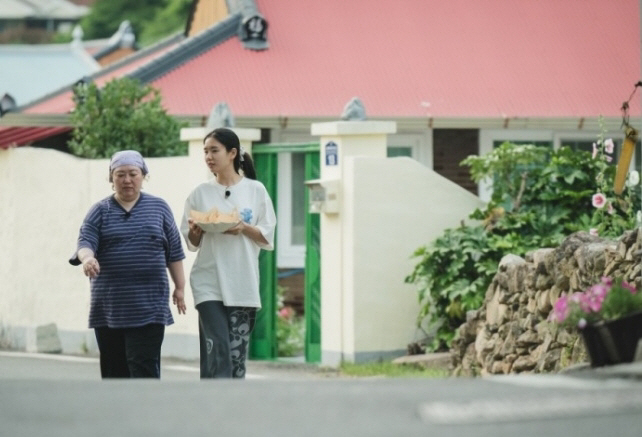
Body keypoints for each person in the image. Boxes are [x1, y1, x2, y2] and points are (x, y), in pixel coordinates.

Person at [69, 150, 186, 379]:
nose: (127, 180)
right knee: (114, 372)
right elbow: (85, 241)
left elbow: (174, 250)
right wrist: (88, 258)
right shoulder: (100, 210)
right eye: (120, 174)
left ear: (143, 176)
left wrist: (180, 287)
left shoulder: (159, 208)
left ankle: (145, 414)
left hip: (150, 304)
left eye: (133, 173)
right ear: (111, 179)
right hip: (110, 307)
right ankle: (117, 414)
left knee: (143, 367)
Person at [181, 127, 276, 379]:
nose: (209, 156)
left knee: (236, 360)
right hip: (207, 281)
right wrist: (196, 230)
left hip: (242, 283)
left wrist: (244, 227)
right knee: (219, 348)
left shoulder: (256, 191)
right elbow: (191, 243)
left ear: (232, 153)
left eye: (214, 150)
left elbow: (267, 236)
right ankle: (214, 405)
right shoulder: (200, 193)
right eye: (205, 151)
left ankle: (230, 408)